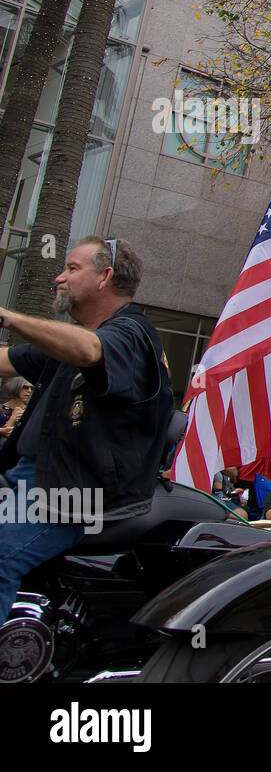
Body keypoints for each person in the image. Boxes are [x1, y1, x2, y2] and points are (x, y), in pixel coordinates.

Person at [0, 237, 174, 621]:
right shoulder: (65, 343)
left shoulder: (132, 335)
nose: (59, 277)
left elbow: (90, 351)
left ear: (104, 277)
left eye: (72, 268)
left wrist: (9, 317)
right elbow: (7, 361)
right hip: (28, 478)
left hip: (72, 495)